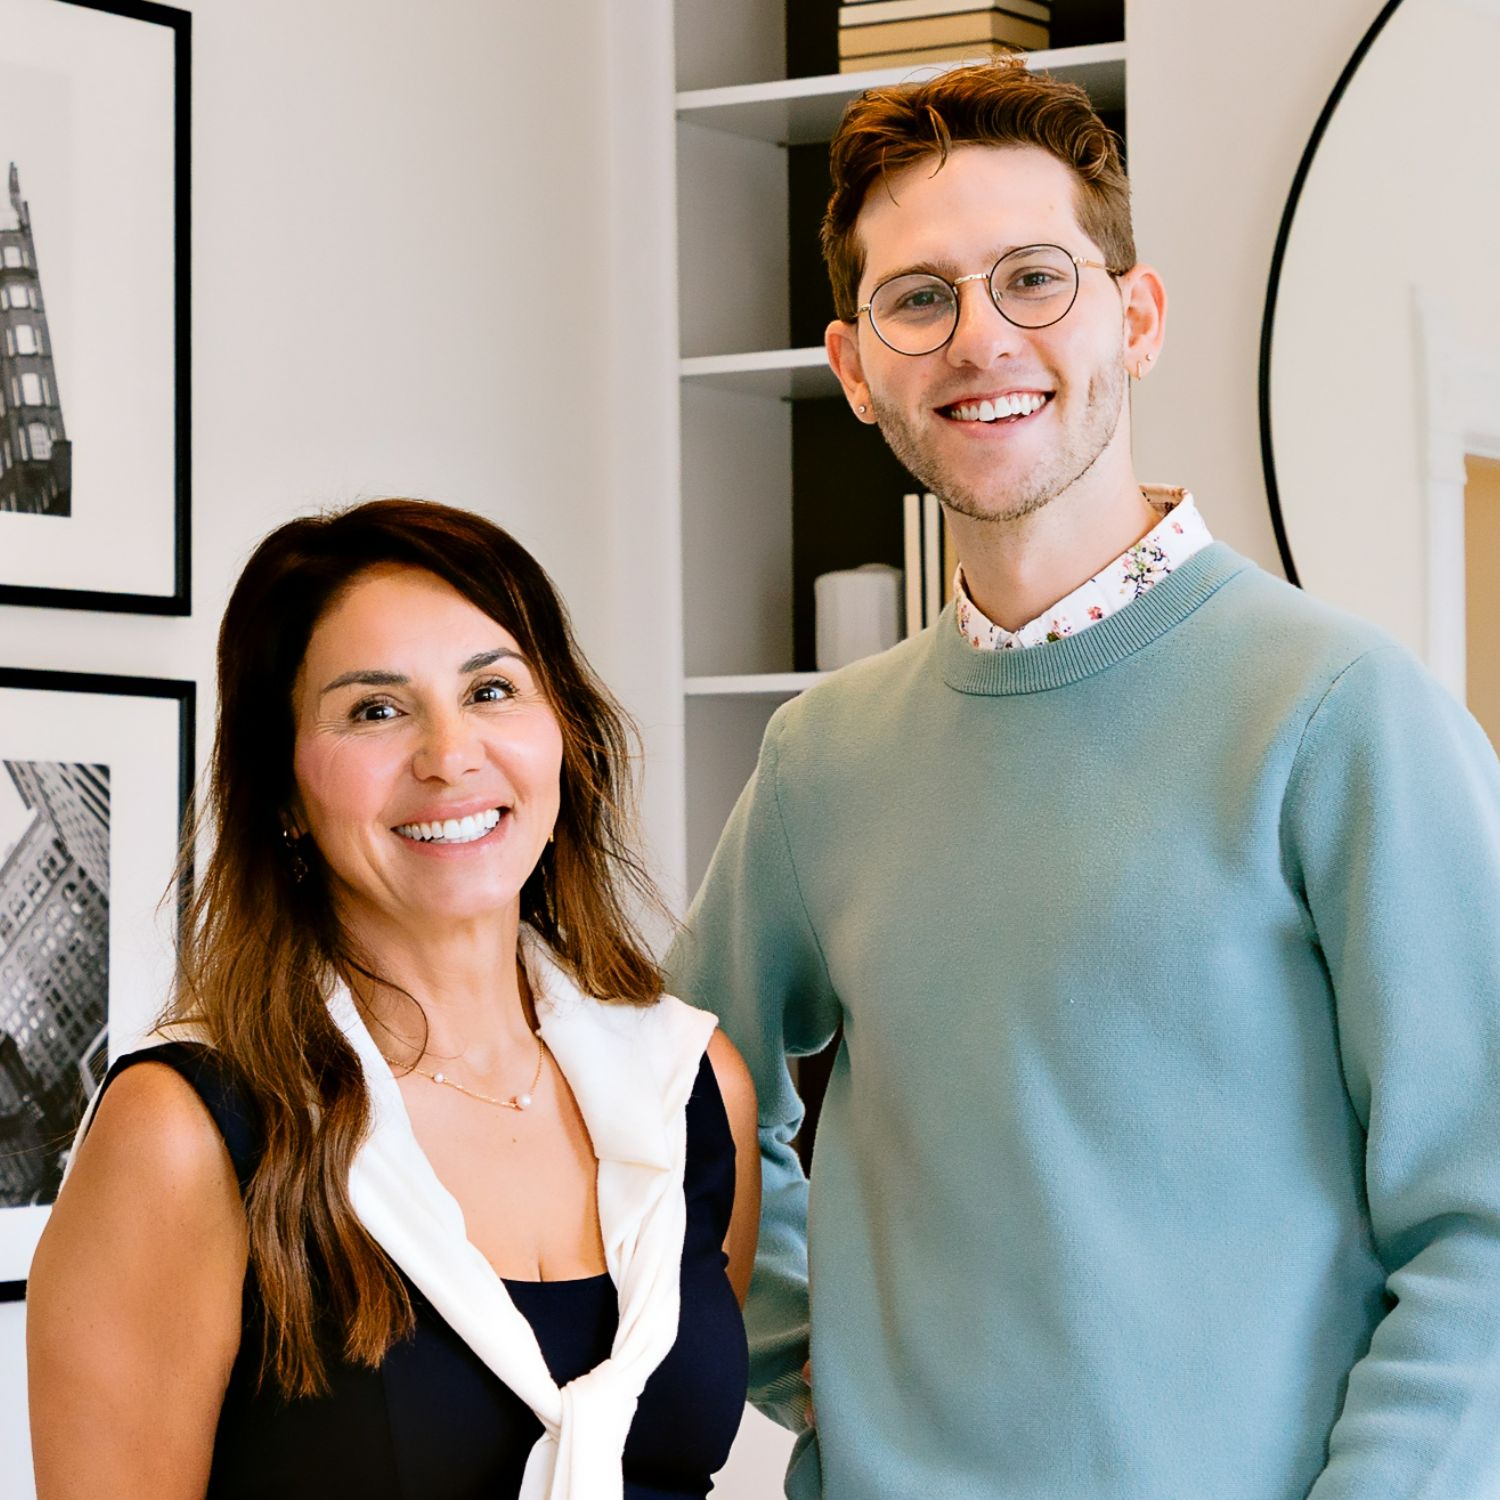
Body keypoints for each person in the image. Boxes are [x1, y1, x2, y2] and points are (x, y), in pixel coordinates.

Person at [664, 59, 1500, 1500]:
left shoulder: (1344, 715)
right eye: (918, 299)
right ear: (855, 369)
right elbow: (676, 1101)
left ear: (1138, 316)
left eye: (1036, 279)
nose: (980, 337)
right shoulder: (822, 758)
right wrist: (822, 1361)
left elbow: (1481, 1223)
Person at [28, 499, 759, 1500]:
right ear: (282, 788)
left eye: (492, 690)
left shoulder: (689, 1086)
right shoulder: (184, 1131)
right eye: (376, 710)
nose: (449, 756)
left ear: (565, 736)